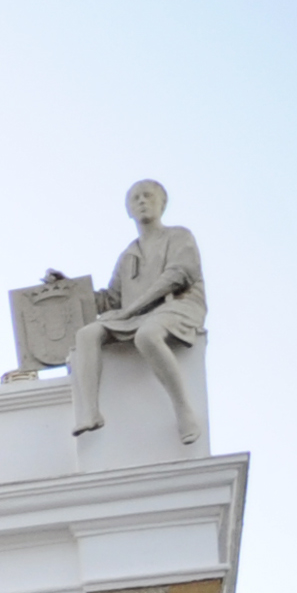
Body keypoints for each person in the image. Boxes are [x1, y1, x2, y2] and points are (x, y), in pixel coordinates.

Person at [69, 181, 205, 450]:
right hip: (135, 313)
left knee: (148, 335)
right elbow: (111, 299)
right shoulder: (128, 254)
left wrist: (132, 309)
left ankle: (184, 412)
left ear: (161, 203)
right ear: (129, 210)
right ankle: (91, 413)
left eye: (148, 196)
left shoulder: (179, 236)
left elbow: (176, 276)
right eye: (135, 199)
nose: (142, 201)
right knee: (87, 334)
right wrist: (67, 288)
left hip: (175, 307)